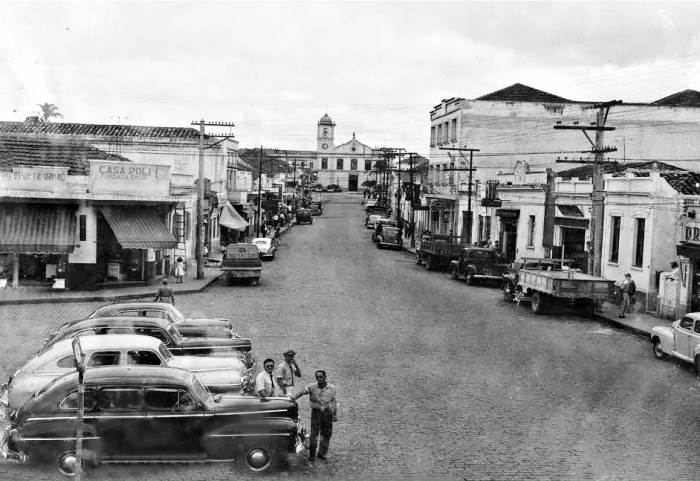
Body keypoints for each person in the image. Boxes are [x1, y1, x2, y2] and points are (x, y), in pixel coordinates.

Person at [291, 370, 337, 461]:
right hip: (317, 413)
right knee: (314, 435)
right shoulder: (312, 387)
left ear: (325, 377)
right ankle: (312, 455)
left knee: (326, 435)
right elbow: (302, 392)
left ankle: (322, 453)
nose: (319, 379)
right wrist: (293, 398)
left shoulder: (331, 388)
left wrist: (335, 414)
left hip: (327, 414)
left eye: (321, 377)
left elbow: (333, 401)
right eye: (317, 377)